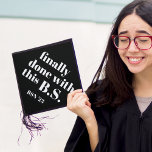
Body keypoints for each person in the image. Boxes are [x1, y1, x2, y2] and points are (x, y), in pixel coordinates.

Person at [64, 0, 152, 151]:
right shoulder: (101, 96)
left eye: (143, 40)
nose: (131, 49)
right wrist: (90, 120)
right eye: (123, 39)